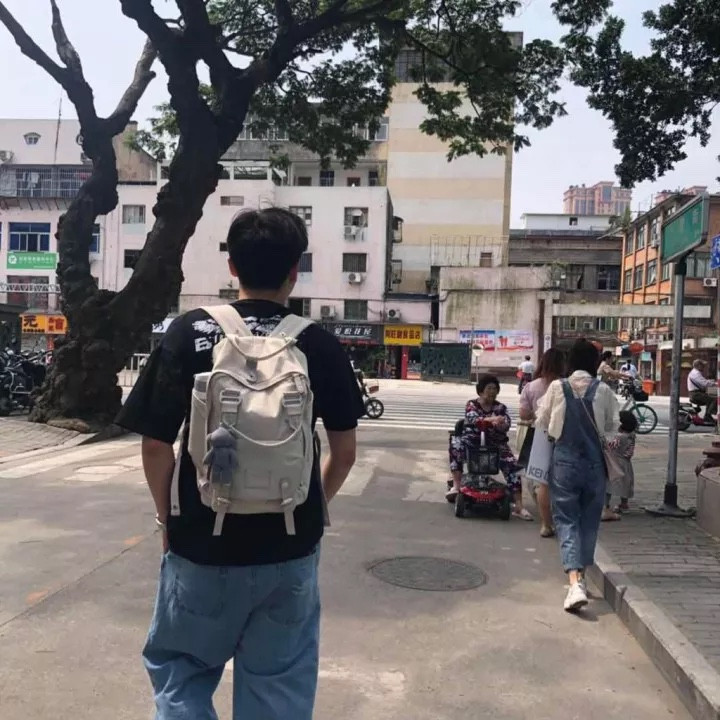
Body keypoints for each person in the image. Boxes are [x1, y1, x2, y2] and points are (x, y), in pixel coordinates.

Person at [116, 207, 364, 720]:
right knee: (278, 689)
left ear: (232, 266)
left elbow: (156, 445)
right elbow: (344, 453)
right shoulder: (318, 344)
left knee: (182, 676)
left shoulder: (189, 333)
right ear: (295, 270)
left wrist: (167, 518)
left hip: (201, 544)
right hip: (289, 548)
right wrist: (307, 503)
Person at [536, 339, 619, 612]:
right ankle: (581, 576)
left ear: (570, 361)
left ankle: (574, 582)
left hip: (565, 463)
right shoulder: (604, 390)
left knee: (566, 519)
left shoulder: (557, 387)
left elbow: (542, 420)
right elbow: (613, 427)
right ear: (595, 362)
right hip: (595, 465)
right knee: (589, 522)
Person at [448, 374, 532, 520]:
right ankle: (456, 485)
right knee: (456, 443)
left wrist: (501, 424)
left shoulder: (500, 407)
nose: (492, 392)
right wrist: (491, 419)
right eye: (489, 388)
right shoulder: (472, 404)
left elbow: (506, 423)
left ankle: (519, 505)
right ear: (481, 391)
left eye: (494, 389)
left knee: (512, 464)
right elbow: (473, 418)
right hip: (472, 442)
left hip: (495, 443)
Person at [518, 347, 565, 538]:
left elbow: (523, 413)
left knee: (540, 481)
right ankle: (560, 519)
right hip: (562, 435)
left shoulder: (531, 386)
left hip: (537, 434)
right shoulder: (566, 386)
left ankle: (546, 523)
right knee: (561, 480)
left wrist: (536, 415)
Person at [602, 411, 637, 521]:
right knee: (625, 484)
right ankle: (624, 504)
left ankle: (606, 505)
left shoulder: (618, 437)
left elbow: (610, 446)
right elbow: (629, 453)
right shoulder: (632, 436)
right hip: (626, 463)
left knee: (609, 485)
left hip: (615, 463)